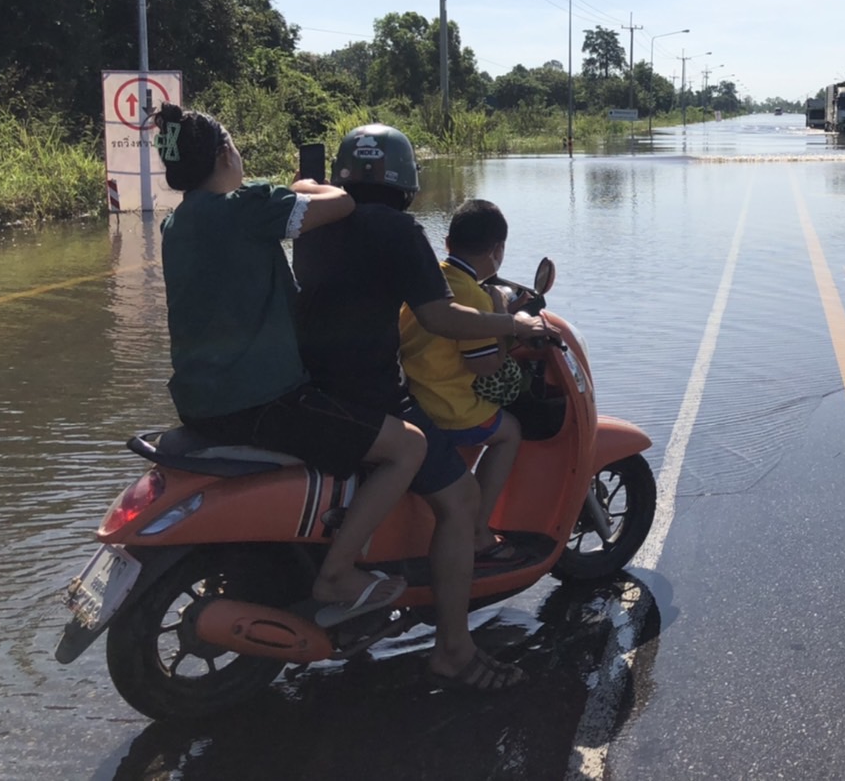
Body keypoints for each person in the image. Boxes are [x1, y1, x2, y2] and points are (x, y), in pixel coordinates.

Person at [292, 124, 548, 692]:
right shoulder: (399, 230)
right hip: (369, 393)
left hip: (311, 388)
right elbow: (441, 316)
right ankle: (453, 649)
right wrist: (512, 323)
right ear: (406, 180)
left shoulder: (312, 222)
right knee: (460, 500)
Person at [151, 104, 425, 625]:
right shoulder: (247, 208)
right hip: (261, 401)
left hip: (198, 401)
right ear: (225, 154)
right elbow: (343, 202)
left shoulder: (175, 222)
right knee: (408, 446)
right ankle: (337, 574)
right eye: (236, 149)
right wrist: (308, 184)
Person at [398, 200, 525, 561]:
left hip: (412, 395)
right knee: (510, 431)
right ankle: (479, 531)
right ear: (497, 250)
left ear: (448, 243)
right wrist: (503, 318)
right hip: (446, 405)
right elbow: (486, 365)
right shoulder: (473, 296)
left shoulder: (432, 280)